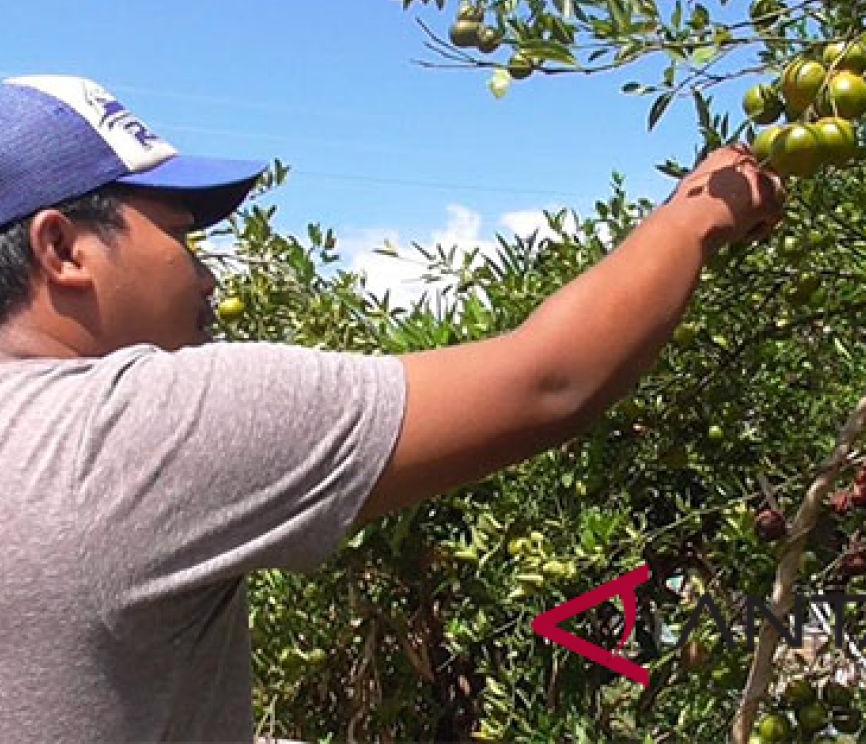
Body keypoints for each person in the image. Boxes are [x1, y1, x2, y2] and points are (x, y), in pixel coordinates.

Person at [0, 74, 784, 741]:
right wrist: (703, 209)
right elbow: (552, 381)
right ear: (63, 248)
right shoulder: (136, 429)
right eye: (179, 235)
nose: (206, 277)